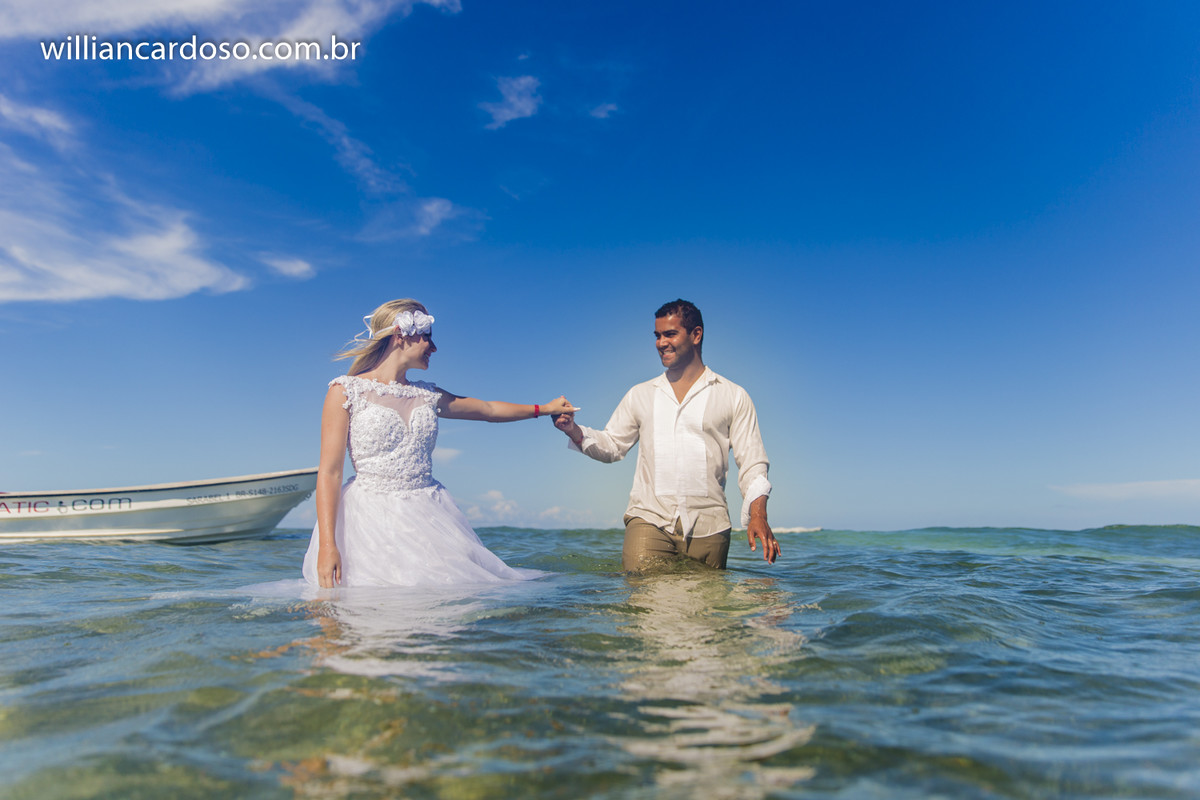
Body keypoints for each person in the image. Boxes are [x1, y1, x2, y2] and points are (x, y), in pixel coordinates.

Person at [302, 299, 576, 588]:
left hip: (429, 515)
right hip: (366, 522)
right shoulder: (345, 391)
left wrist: (544, 409)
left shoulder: (428, 395)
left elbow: (489, 410)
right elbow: (330, 473)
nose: (434, 348)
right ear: (401, 334)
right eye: (429, 338)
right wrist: (327, 546)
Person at [553, 299, 780, 571]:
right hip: (649, 519)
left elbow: (753, 462)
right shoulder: (641, 394)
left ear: (696, 335)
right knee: (646, 605)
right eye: (657, 336)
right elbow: (613, 446)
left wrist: (758, 514)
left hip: (710, 527)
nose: (661, 343)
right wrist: (573, 430)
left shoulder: (733, 396)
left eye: (670, 334)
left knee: (706, 611)